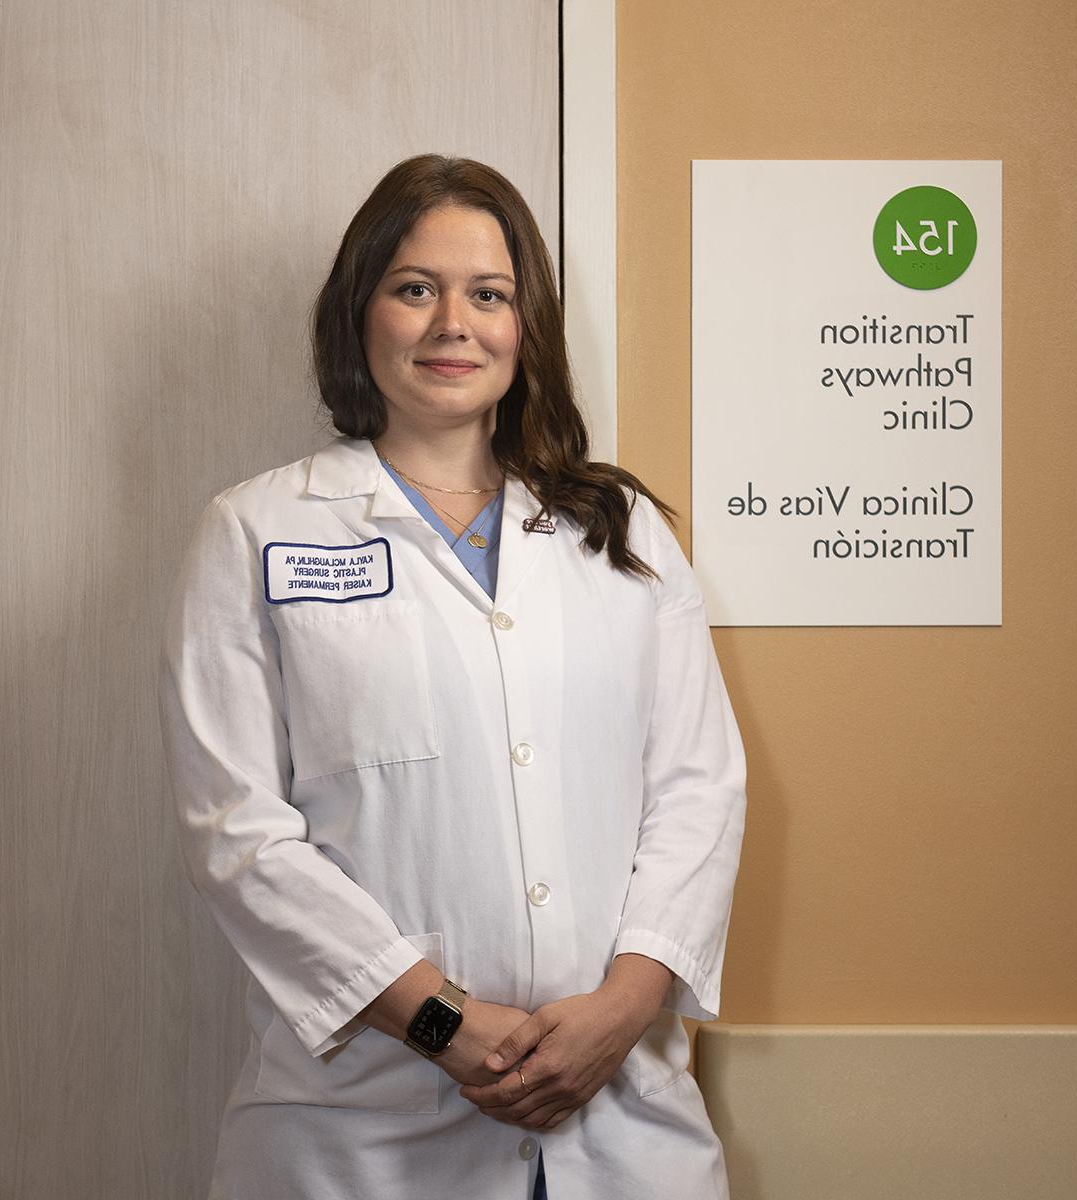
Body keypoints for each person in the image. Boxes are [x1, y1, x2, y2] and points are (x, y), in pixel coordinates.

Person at [159, 154, 746, 1200]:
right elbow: (236, 833)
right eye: (414, 289)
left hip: (622, 1123)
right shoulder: (256, 530)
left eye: (489, 294)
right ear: (361, 313)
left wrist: (619, 1013)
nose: (452, 325)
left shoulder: (618, 533)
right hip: (357, 1134)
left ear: (528, 328)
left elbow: (698, 790)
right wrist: (441, 1022)